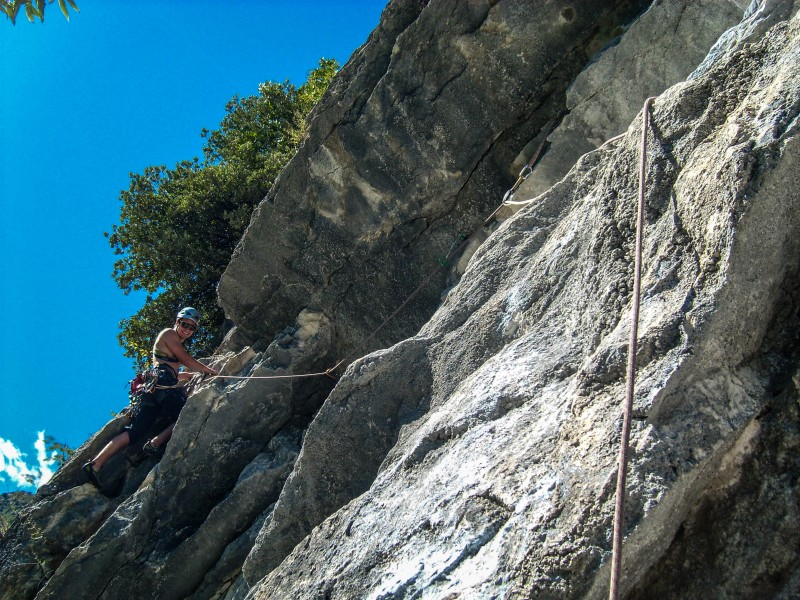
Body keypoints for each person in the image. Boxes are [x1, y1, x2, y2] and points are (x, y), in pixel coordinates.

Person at [82, 307, 217, 487]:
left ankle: (95, 465)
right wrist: (207, 370)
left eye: (191, 327)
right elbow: (184, 359)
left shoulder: (169, 345)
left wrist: (192, 376)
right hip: (162, 384)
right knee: (189, 412)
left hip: (154, 387)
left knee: (135, 431)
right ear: (177, 322)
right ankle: (155, 443)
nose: (187, 329)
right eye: (184, 324)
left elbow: (174, 373)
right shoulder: (169, 334)